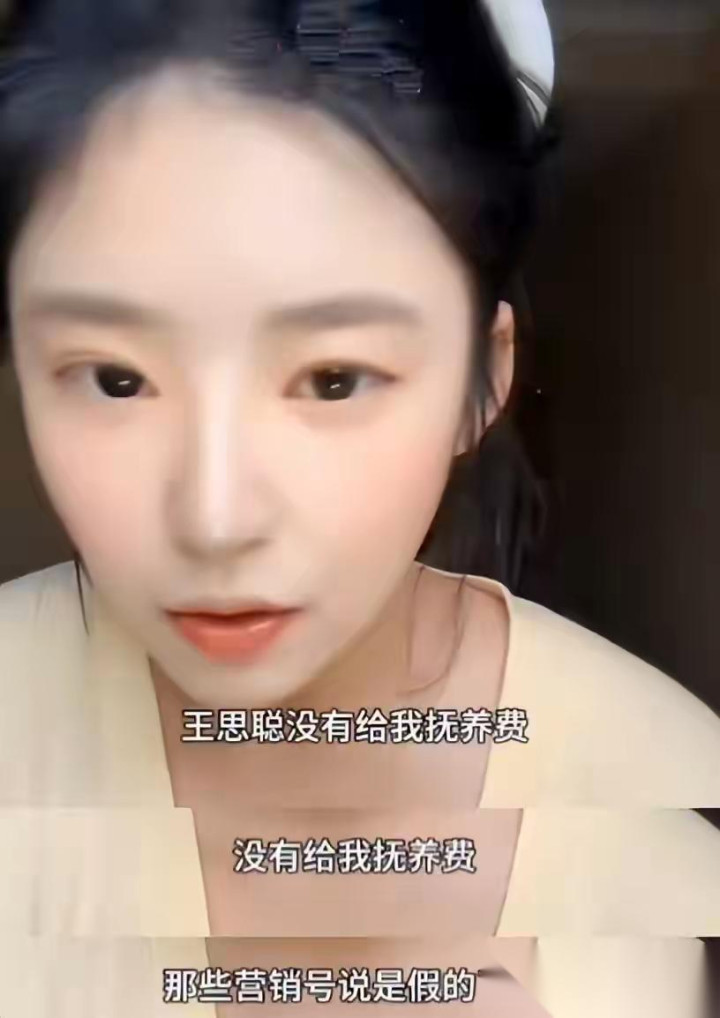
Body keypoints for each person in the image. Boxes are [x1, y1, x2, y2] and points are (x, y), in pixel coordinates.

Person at [0, 1, 719, 1015]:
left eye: (334, 379)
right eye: (116, 379)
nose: (215, 519)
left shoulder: (649, 790)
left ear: (482, 379)